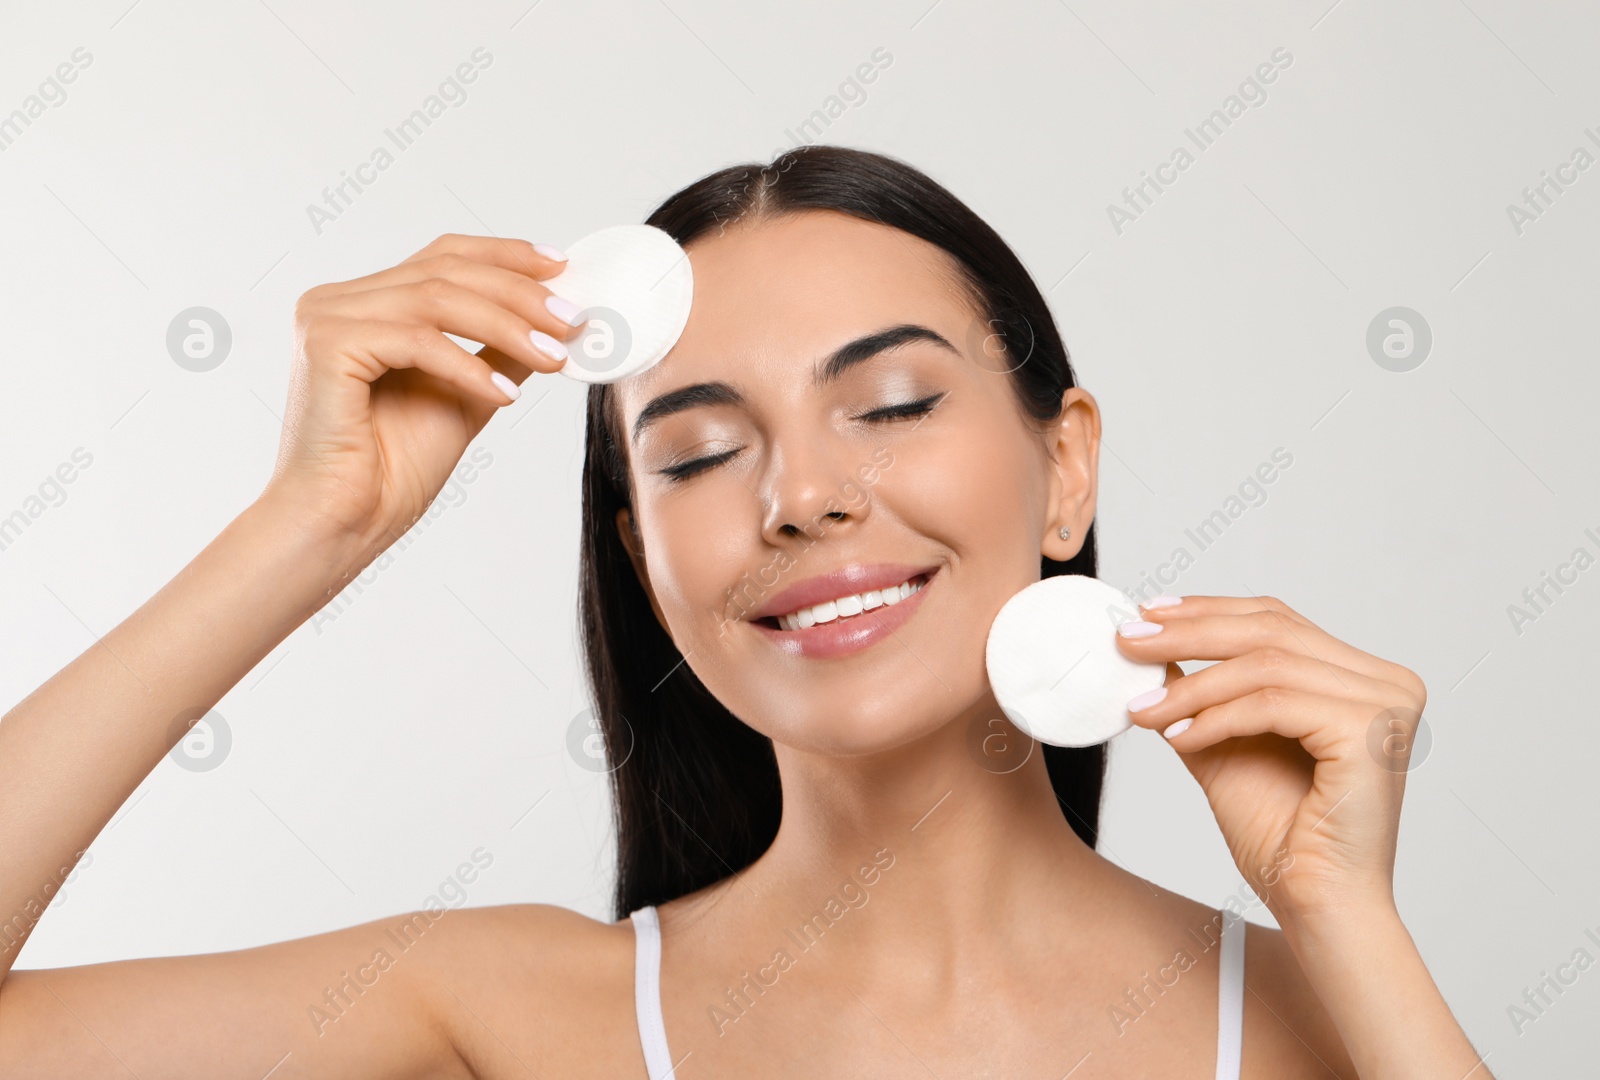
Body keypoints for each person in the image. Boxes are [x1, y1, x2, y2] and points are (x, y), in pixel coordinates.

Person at [0, 145, 1486, 1078]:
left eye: (893, 403)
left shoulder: (1326, 1020)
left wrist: (1344, 917)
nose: (802, 494)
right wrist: (303, 530)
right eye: (699, 453)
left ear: (1064, 467)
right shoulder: (508, 1012)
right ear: (646, 559)